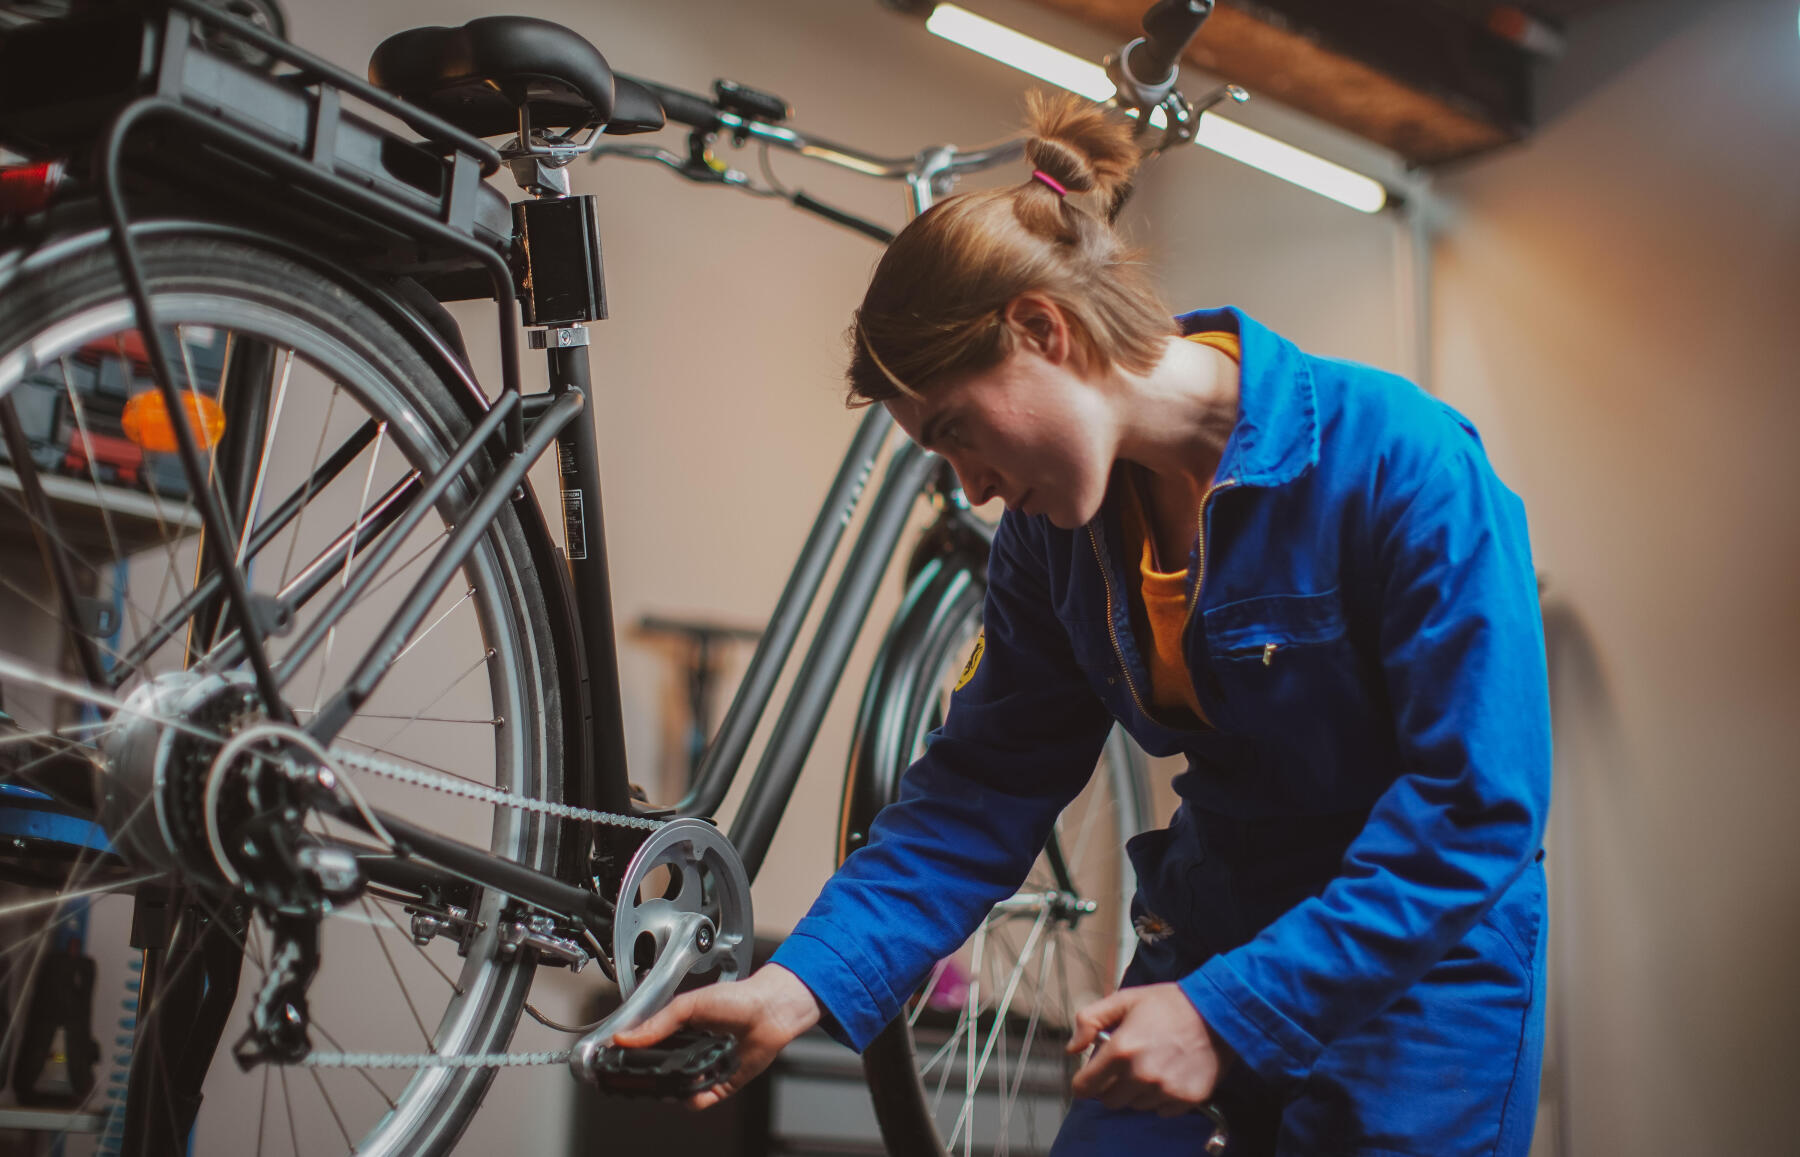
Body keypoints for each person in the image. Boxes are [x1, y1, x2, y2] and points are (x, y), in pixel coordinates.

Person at [616, 89, 1551, 1156]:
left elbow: (1477, 806)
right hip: (1210, 932)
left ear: (1041, 329)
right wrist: (794, 985)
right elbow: (981, 786)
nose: (967, 485)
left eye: (958, 429)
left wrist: (1226, 1011)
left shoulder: (1405, 462)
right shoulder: (1052, 541)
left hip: (1418, 978)